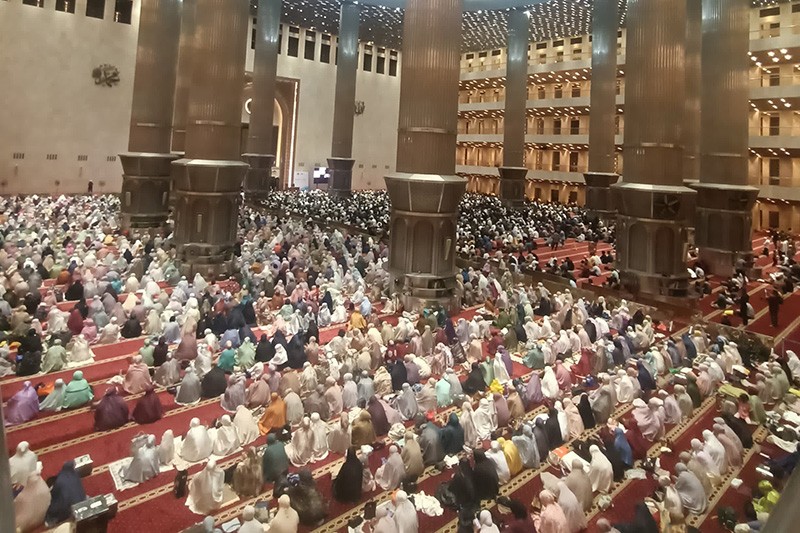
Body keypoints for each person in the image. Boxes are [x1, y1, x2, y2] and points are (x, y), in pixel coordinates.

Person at [45, 461, 86, 527]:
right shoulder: (74, 474)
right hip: (82, 501)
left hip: (71, 510)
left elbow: (56, 506)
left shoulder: (59, 484)